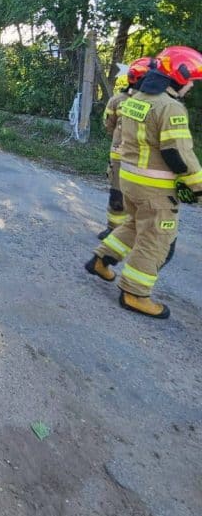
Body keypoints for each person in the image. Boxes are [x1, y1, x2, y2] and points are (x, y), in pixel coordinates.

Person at [85, 45, 202, 319]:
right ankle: (135, 293)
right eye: (192, 81)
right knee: (156, 239)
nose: (192, 87)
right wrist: (198, 187)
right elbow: (179, 155)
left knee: (135, 225)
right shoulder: (170, 107)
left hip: (130, 180)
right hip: (156, 189)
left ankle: (101, 259)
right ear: (181, 76)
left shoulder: (137, 99)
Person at [98, 56, 153, 240]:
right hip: (120, 159)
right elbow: (109, 125)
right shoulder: (117, 100)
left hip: (145, 161)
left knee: (141, 199)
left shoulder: (155, 103)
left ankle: (137, 233)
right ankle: (113, 229)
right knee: (117, 196)